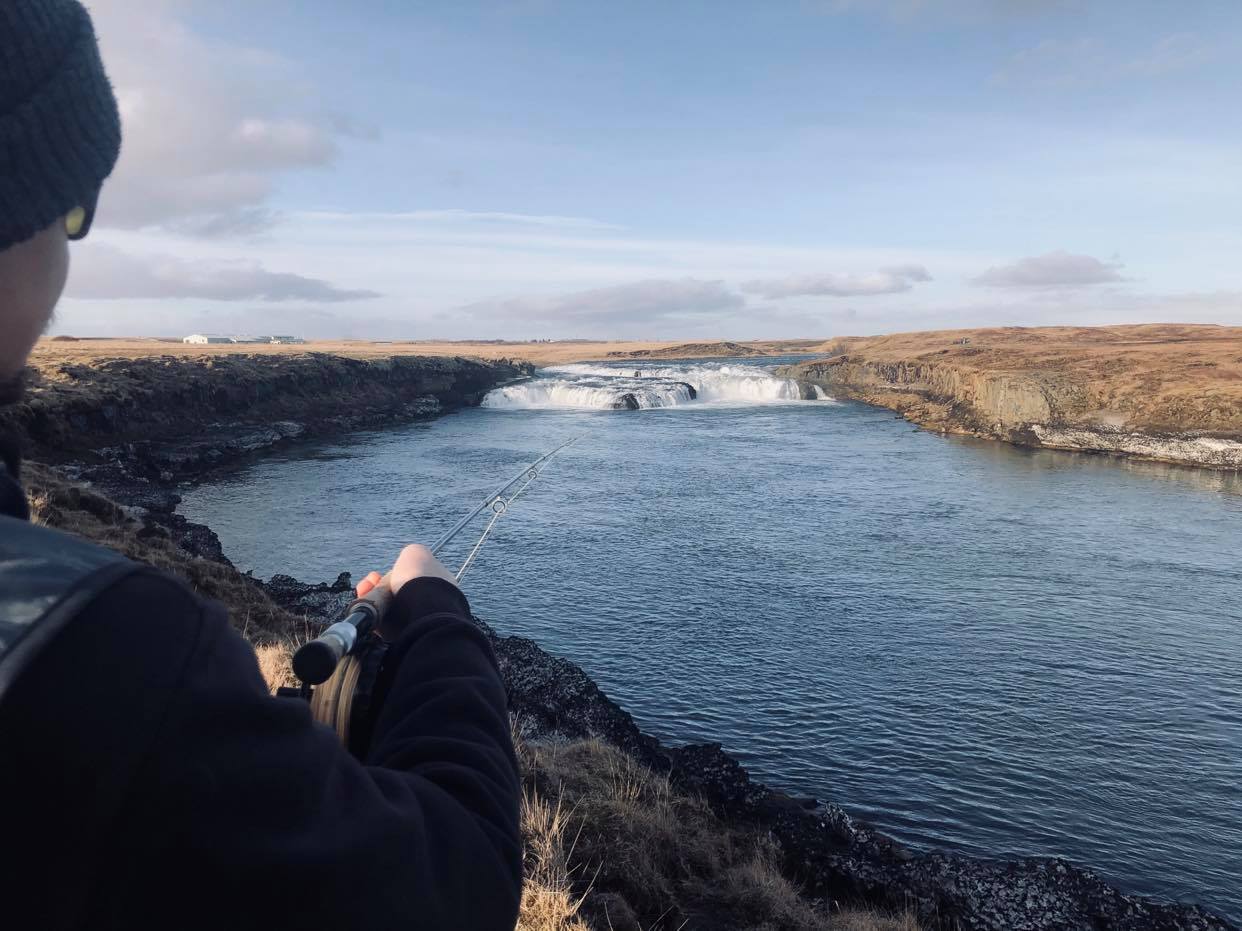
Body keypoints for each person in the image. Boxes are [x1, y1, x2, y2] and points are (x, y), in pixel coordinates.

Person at [0, 2, 523, 928]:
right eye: (71, 209)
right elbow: (460, 878)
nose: (67, 254)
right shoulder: (109, 651)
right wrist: (435, 615)